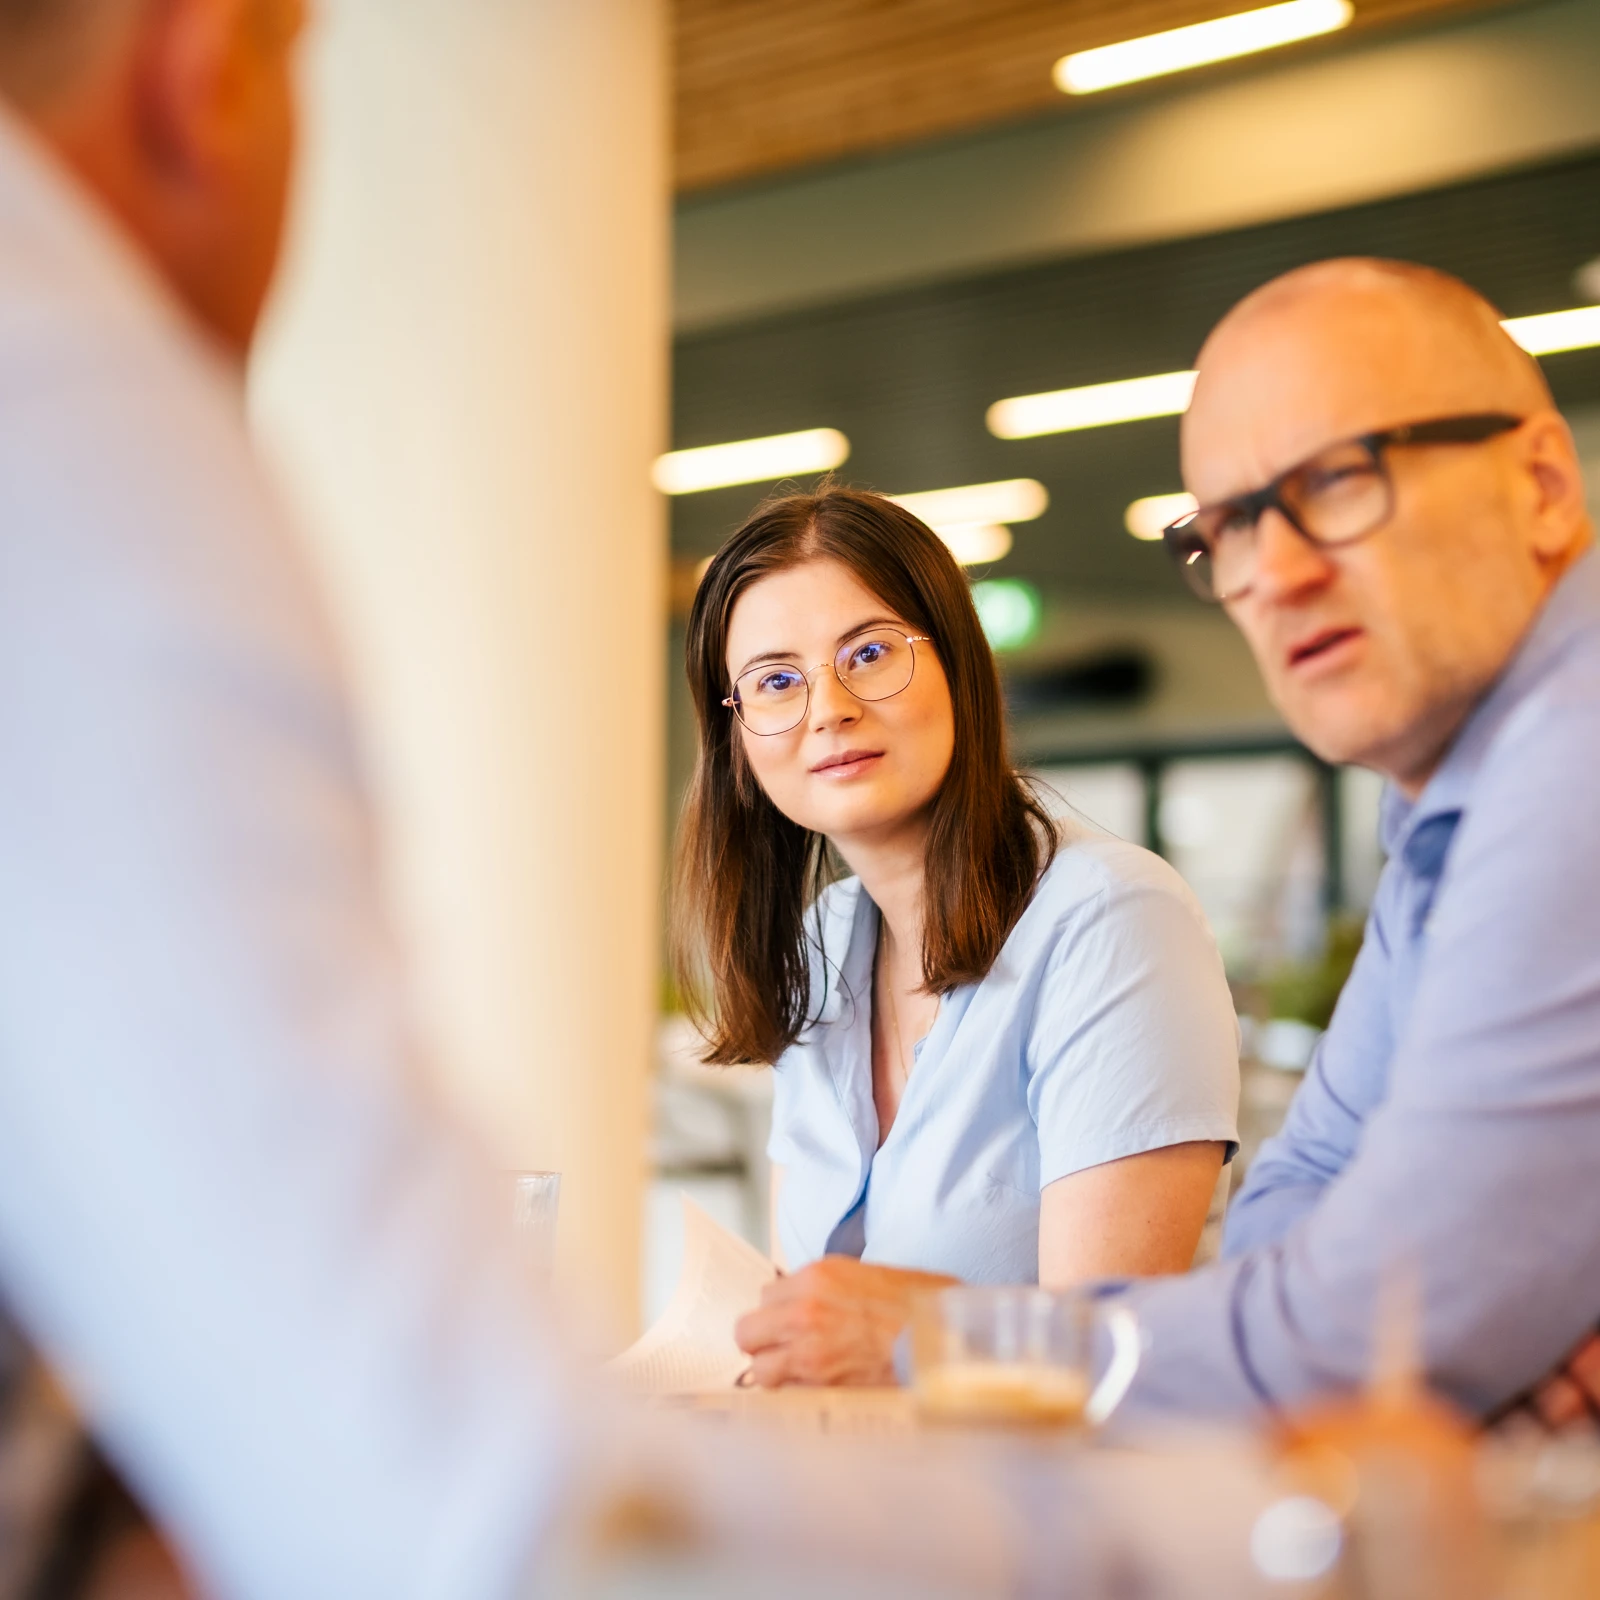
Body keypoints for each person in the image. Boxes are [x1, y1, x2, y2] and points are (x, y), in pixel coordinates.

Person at [1092, 257, 1600, 1426]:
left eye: (1336, 478)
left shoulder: (1574, 755)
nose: (1275, 572)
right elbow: (1299, 1189)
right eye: (1230, 527)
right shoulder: (1438, 803)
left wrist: (962, 1345)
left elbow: (1367, 1333)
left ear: (1539, 485)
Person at [673, 488, 1240, 1388]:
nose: (828, 708)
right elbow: (802, 1316)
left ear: (959, 665)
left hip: (1069, 1479)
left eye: (869, 653)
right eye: (776, 680)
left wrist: (905, 1334)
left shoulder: (1113, 917)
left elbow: (1109, 1357)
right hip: (852, 1470)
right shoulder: (825, 943)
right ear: (735, 736)